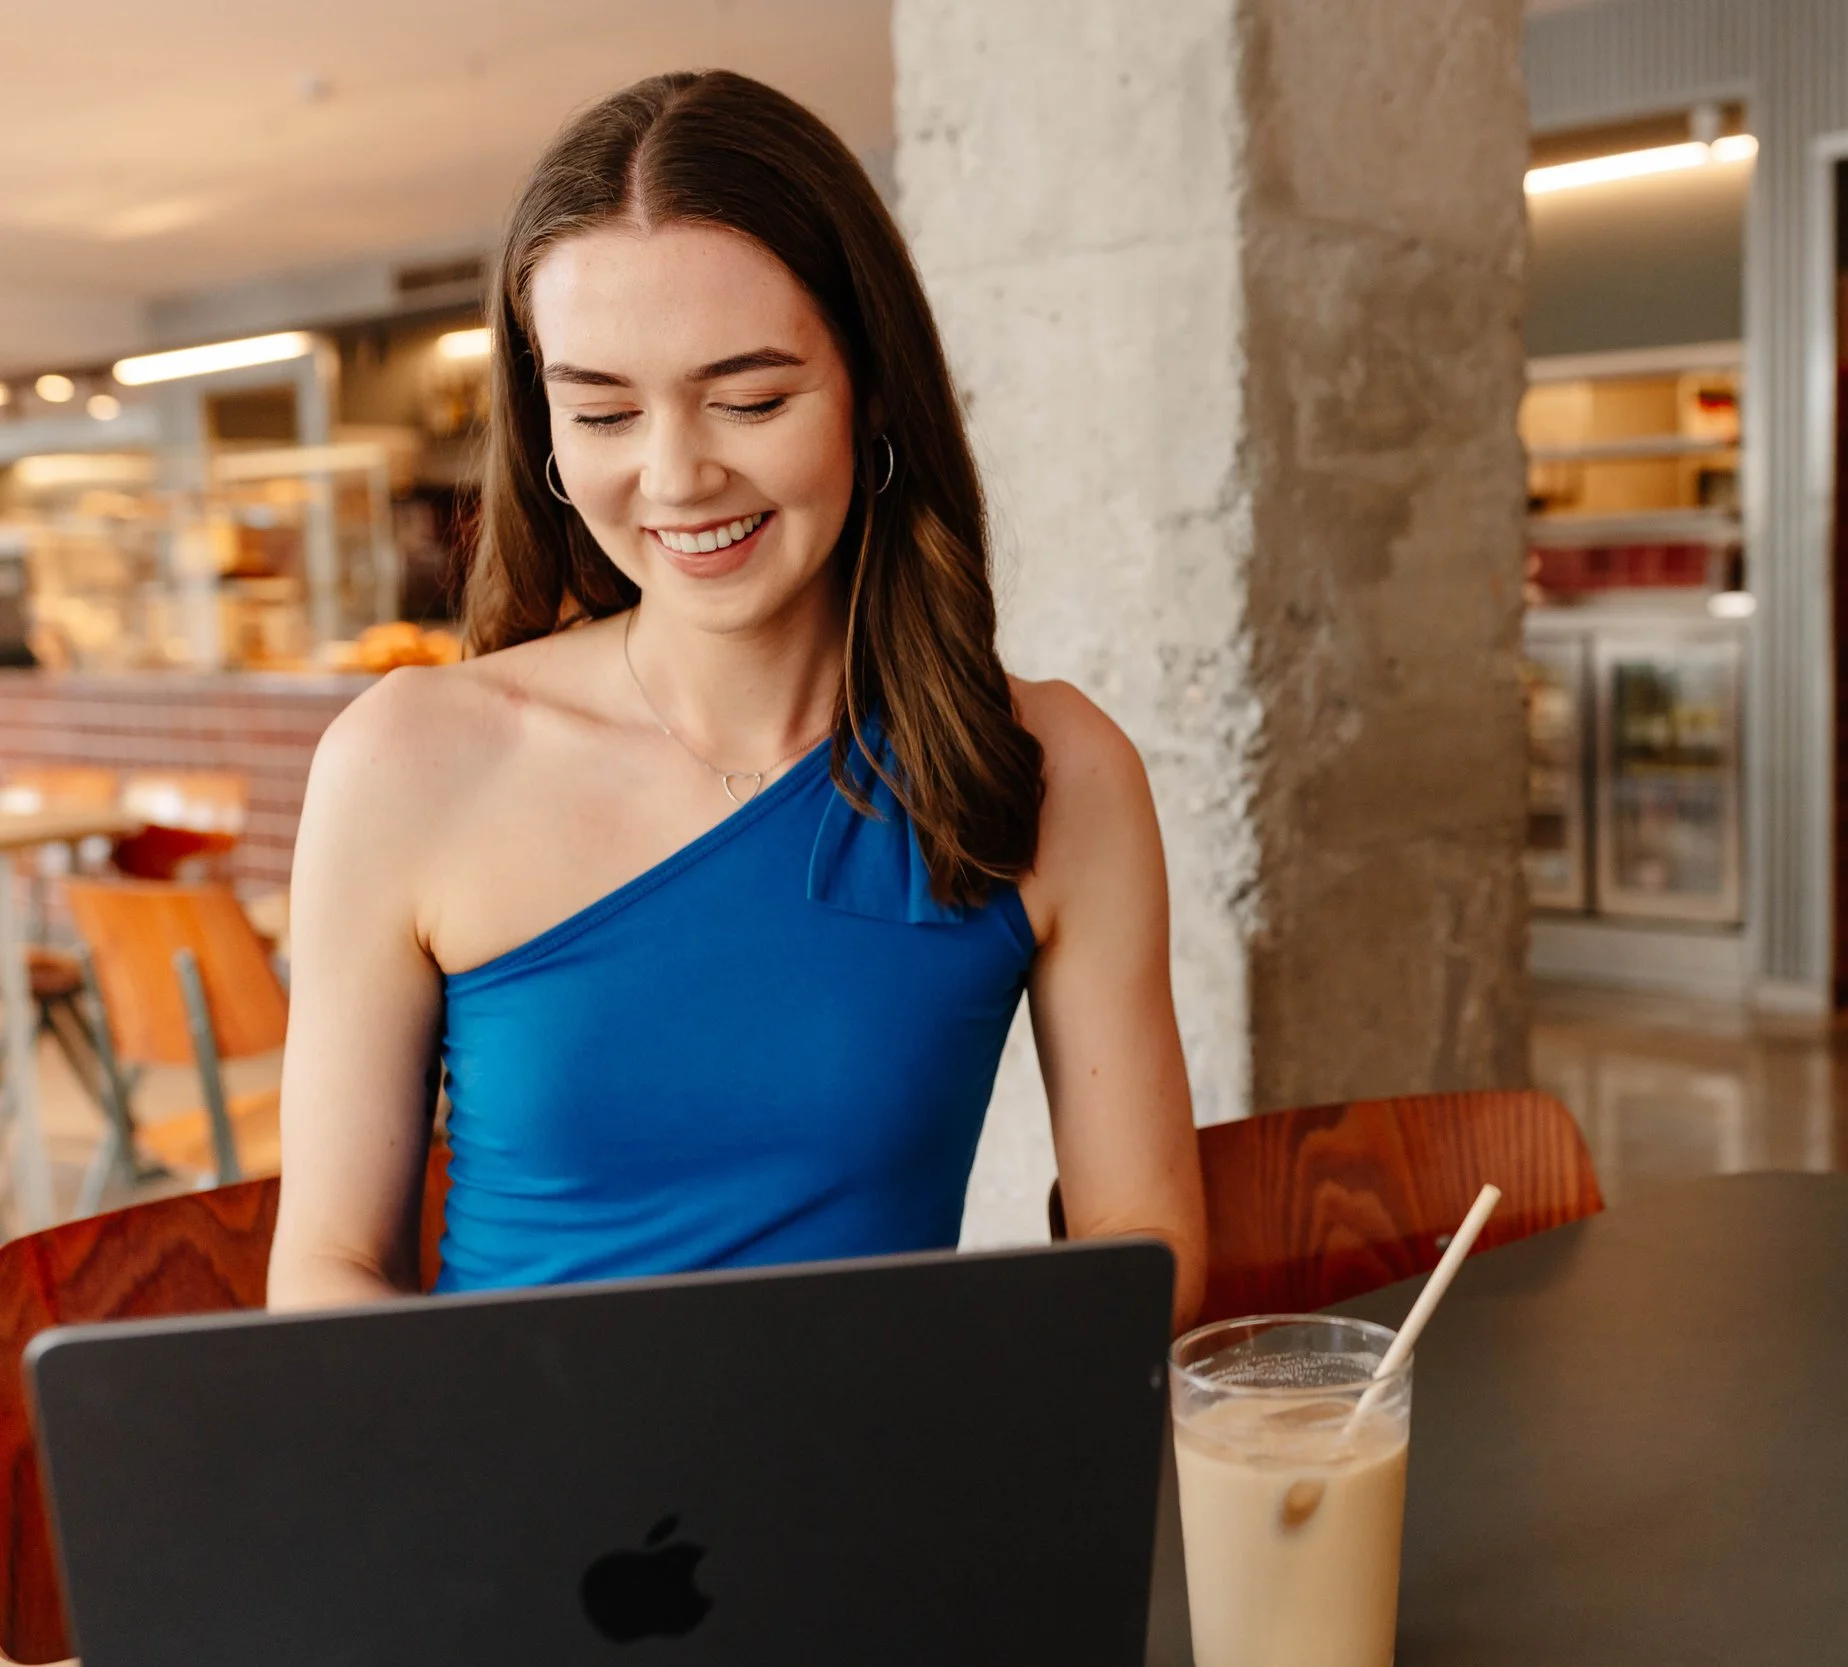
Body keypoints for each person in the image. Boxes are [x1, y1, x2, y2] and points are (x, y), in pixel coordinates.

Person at [266, 71, 1207, 1327]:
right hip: (514, 1499)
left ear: (873, 386)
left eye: (751, 399)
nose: (676, 475)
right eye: (602, 410)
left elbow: (1147, 1244)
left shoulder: (1055, 767)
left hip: (878, 1491)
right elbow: (324, 1267)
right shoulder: (404, 760)